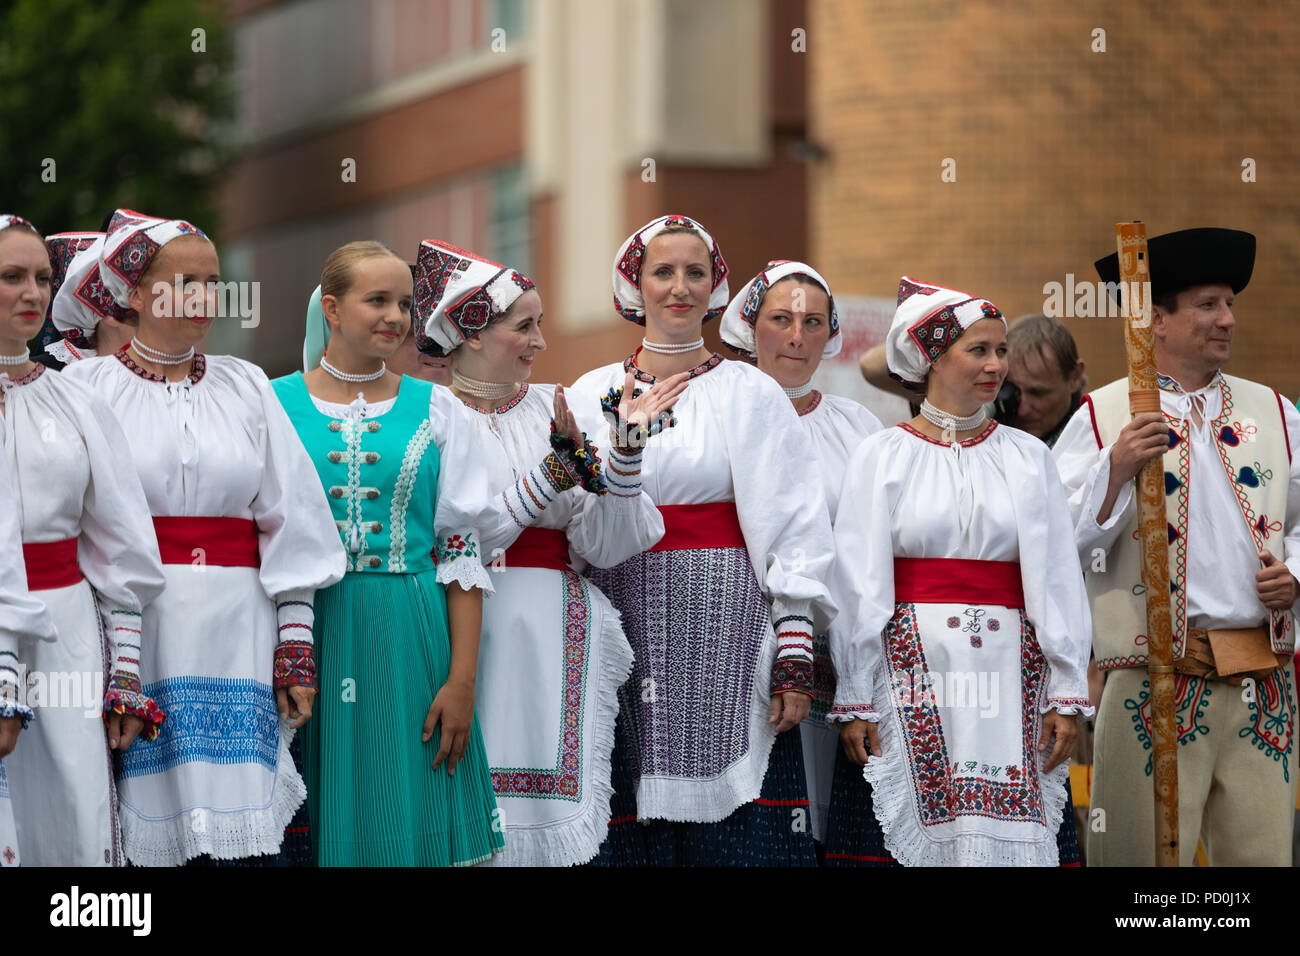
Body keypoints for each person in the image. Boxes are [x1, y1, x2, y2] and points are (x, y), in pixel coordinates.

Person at [59, 210, 347, 866]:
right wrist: (117, 665)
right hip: (131, 631)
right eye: (182, 281)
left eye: (213, 282)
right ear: (135, 295)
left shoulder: (244, 383)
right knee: (136, 832)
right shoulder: (85, 390)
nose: (203, 298)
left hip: (236, 634)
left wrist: (294, 649)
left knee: (238, 834)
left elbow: (292, 518)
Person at [571, 214, 836, 866]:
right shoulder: (589, 394)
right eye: (663, 271)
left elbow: (796, 524)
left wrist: (794, 650)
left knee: (735, 831)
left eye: (696, 271)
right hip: (622, 626)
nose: (680, 287)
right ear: (635, 283)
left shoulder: (751, 392)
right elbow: (576, 524)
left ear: (716, 284)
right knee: (631, 812)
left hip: (729, 635)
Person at [412, 240, 684, 866]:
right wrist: (554, 476)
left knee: (552, 820)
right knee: (457, 802)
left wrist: (624, 454)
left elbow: (606, 543)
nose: (540, 342)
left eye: (540, 324)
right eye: (524, 326)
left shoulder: (558, 408)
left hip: (553, 631)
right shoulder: (425, 414)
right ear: (472, 332)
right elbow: (462, 540)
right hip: (450, 625)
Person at [1054, 227, 1299, 866]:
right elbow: (1056, 544)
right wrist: (1115, 467)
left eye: (1230, 305)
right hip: (1152, 677)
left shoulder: (1274, 411)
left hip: (1262, 680)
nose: (1228, 320)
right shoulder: (1103, 417)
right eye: (1208, 305)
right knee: (1137, 865)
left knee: (1262, 860)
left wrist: (1295, 573)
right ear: (1155, 319)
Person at [830, 276, 1093, 866]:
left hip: (1012, 674)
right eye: (979, 350)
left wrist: (1066, 688)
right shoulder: (882, 455)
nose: (996, 364)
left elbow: (1056, 579)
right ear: (931, 357)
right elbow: (858, 583)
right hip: (910, 676)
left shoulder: (1029, 458)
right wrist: (855, 694)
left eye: (1000, 350)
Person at [273, 240, 507, 866]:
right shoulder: (271, 405)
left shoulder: (440, 409)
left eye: (404, 303)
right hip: (306, 630)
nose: (396, 317)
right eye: (376, 300)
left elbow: (460, 554)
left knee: (405, 816)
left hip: (412, 632)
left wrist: (461, 681)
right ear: (331, 307)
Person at [0, 215, 167, 866]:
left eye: (42, 278)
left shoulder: (75, 402)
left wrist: (124, 675)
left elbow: (119, 546)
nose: (32, 292)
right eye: (11, 277)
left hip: (65, 633)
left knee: (71, 805)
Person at [719, 258, 882, 851]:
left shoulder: (858, 427)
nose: (796, 335)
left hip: (834, 656)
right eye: (781, 318)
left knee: (828, 818)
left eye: (814, 321)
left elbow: (872, 555)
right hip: (737, 647)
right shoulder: (719, 414)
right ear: (747, 325)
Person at [1002, 313, 1086, 446]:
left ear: (1074, 377)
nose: (1022, 410)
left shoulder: (1100, 443)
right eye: (1013, 391)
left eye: (1037, 393)